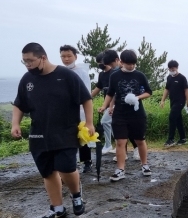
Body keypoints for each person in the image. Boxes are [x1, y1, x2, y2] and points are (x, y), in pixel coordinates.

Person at [12, 42, 92, 218]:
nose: (28, 65)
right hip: (39, 134)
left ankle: (76, 195)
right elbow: (19, 104)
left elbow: (86, 99)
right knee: (47, 172)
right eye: (24, 62)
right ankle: (57, 209)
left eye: (30, 61)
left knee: (66, 168)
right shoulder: (27, 80)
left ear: (43, 57)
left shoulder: (65, 76)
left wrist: (89, 123)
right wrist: (15, 123)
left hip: (66, 131)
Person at [98, 49, 152, 181]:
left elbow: (149, 92)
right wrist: (105, 106)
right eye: (128, 64)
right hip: (120, 113)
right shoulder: (114, 76)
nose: (131, 66)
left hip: (137, 113)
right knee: (120, 142)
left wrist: (138, 97)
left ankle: (144, 165)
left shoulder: (140, 75)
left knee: (140, 140)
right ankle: (120, 169)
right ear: (121, 62)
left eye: (133, 64)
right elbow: (111, 93)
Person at [59, 45, 93, 173]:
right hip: (64, 111)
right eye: (63, 56)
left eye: (69, 56)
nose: (66, 59)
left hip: (80, 109)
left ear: (75, 57)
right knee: (67, 137)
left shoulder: (81, 73)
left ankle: (87, 161)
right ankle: (70, 163)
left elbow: (86, 93)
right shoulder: (59, 72)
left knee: (82, 136)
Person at [91, 50, 119, 154]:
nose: (100, 65)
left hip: (116, 103)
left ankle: (110, 145)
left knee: (106, 122)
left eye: (101, 62)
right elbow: (98, 87)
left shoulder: (114, 72)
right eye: (98, 63)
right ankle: (113, 145)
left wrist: (110, 105)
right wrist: (88, 97)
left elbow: (114, 92)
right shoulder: (102, 75)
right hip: (108, 104)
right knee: (109, 124)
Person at [160, 60, 188, 147]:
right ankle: (183, 138)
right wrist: (162, 100)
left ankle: (170, 139)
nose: (171, 70)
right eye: (170, 69)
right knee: (178, 120)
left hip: (180, 102)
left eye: (173, 69)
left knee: (172, 117)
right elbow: (167, 89)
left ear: (177, 68)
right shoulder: (169, 78)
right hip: (172, 101)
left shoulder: (182, 78)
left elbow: (186, 90)